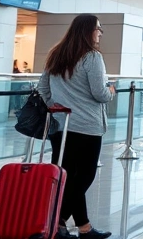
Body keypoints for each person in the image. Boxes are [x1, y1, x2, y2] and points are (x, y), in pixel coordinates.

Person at [37, 15, 115, 239]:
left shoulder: (56, 53)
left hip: (61, 125)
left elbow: (42, 88)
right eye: (99, 29)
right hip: (87, 127)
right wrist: (110, 91)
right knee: (85, 175)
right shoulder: (92, 57)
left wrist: (56, 107)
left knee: (66, 176)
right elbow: (100, 93)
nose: (100, 33)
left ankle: (84, 227)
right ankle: (57, 221)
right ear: (89, 30)